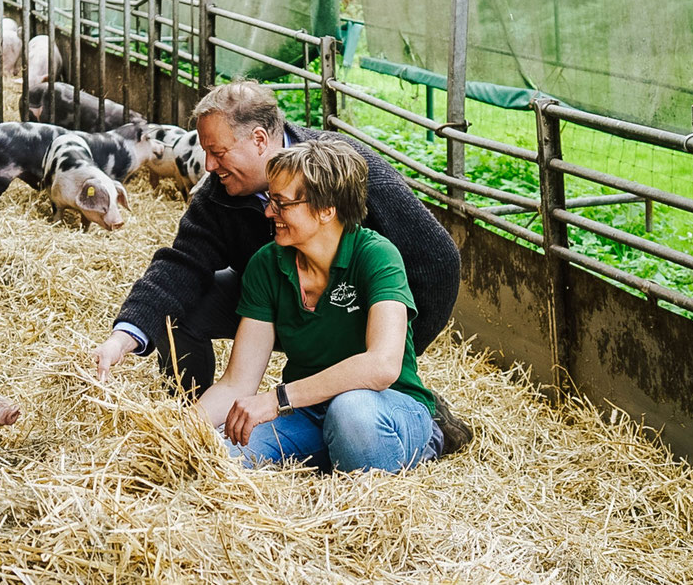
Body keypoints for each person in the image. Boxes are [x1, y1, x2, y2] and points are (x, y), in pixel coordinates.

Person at [91, 80, 471, 454]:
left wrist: (391, 344)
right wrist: (175, 433)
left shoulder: (345, 175)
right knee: (223, 437)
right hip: (287, 313)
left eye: (218, 151)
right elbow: (180, 270)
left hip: (360, 337)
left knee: (352, 408)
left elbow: (435, 262)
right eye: (270, 202)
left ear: (259, 140)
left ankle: (423, 429)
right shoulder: (258, 251)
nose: (208, 165)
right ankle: (191, 404)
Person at [196, 139, 440, 471]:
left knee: (351, 412)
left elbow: (382, 366)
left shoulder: (376, 255)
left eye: (281, 203)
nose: (269, 212)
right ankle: (334, 454)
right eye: (271, 200)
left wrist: (279, 399)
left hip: (385, 406)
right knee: (224, 455)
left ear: (326, 209)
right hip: (309, 412)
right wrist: (182, 428)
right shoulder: (267, 264)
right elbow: (238, 382)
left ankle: (422, 445)